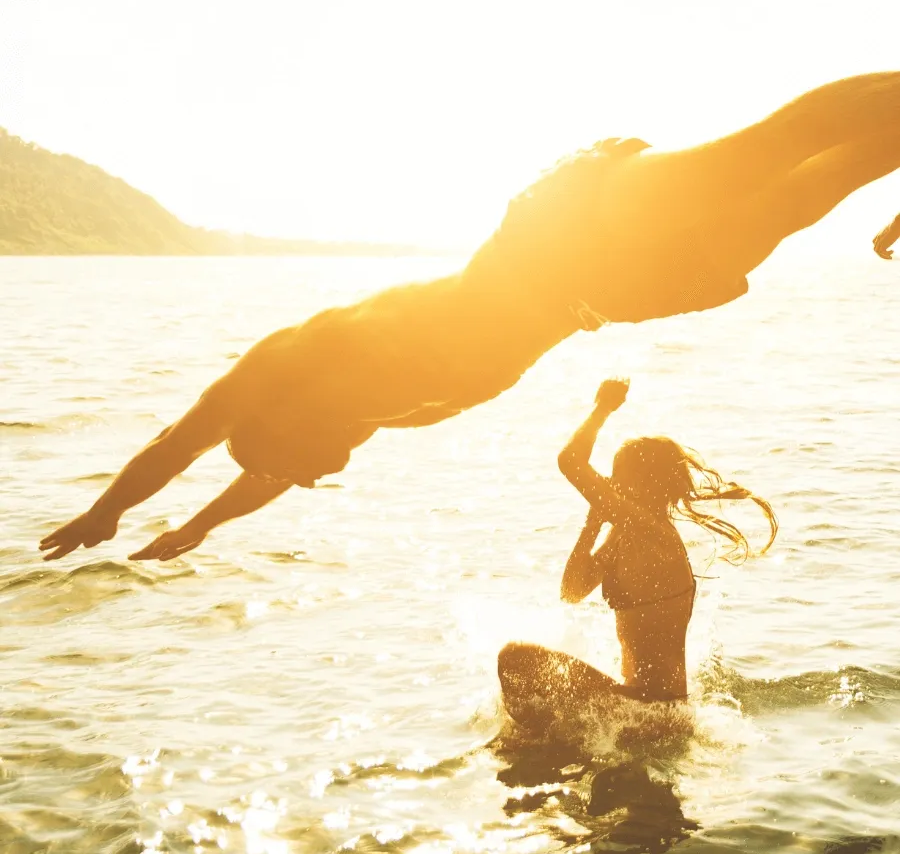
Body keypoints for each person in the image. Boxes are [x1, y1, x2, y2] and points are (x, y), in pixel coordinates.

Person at [40, 71, 896, 563]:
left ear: (288, 423)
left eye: (303, 467)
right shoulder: (351, 423)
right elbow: (253, 478)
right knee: (813, 190)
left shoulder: (303, 361)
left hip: (568, 234)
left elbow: (183, 442)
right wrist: (192, 526)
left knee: (770, 148)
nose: (319, 476)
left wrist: (108, 509)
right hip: (616, 291)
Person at [497, 380, 776, 734]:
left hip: (654, 713)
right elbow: (572, 590)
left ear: (645, 484)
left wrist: (602, 408)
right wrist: (593, 521)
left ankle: (538, 748)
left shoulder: (654, 532)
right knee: (522, 668)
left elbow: (569, 462)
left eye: (620, 476)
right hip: (643, 708)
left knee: (515, 658)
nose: (611, 482)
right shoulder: (626, 535)